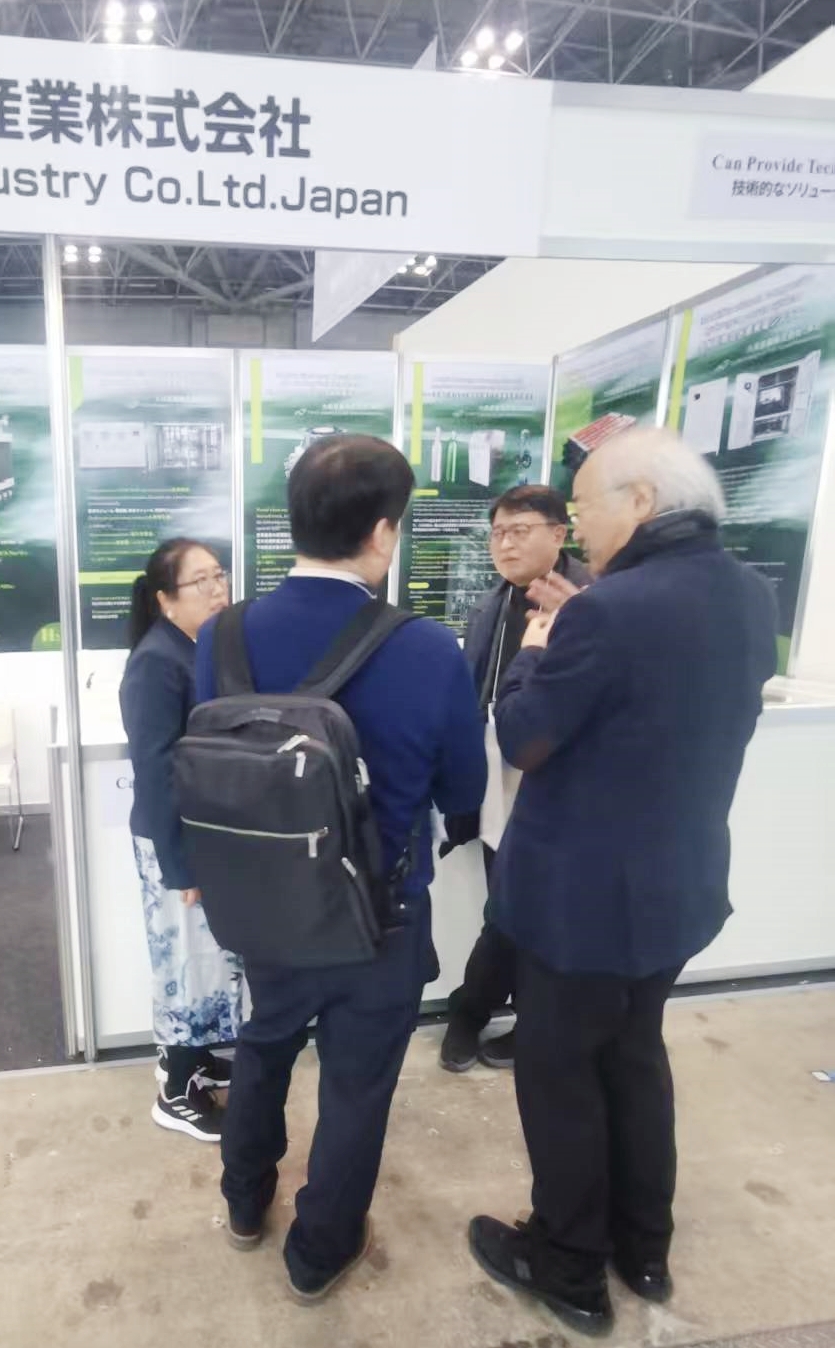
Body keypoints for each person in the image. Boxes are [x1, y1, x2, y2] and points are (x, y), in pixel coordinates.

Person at [468, 428, 778, 1337]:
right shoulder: (748, 592)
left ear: (640, 502)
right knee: (635, 1056)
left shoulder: (603, 611)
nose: (576, 527)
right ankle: (643, 1247)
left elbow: (522, 737)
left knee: (560, 1075)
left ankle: (567, 1265)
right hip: (677, 887)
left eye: (582, 508)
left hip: (582, 902)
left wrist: (539, 646)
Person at [195, 435, 486, 1303]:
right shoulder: (425, 648)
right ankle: (319, 1252)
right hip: (378, 916)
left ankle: (244, 1202)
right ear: (384, 530)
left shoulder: (223, 633)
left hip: (264, 902)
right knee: (357, 1086)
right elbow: (463, 788)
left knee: (263, 1044)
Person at [440, 485, 590, 1074]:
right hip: (497, 778)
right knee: (507, 906)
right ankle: (486, 1013)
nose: (505, 544)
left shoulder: (592, 603)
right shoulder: (491, 605)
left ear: (559, 533)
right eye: (498, 533)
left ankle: (481, 1014)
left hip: (564, 785)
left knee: (541, 914)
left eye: (520, 530)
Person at [119, 539, 245, 1142]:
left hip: (200, 835)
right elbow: (155, 769)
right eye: (201, 581)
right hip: (176, 843)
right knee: (181, 965)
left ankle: (195, 1062)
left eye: (219, 575)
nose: (218, 589)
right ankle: (174, 1092)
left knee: (206, 962)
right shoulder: (156, 662)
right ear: (165, 599)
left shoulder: (198, 648)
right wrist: (179, 865)